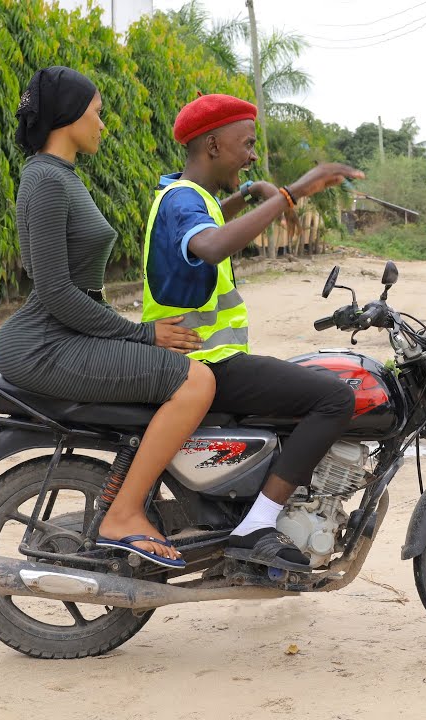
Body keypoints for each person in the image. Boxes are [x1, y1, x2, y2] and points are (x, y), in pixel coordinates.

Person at [0, 66, 217, 569]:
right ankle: (124, 513)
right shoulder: (47, 180)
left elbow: (76, 293)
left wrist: (140, 339)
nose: (102, 124)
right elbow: (53, 291)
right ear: (68, 116)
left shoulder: (58, 176)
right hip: (44, 344)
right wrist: (141, 334)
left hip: (61, 334)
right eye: (97, 113)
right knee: (195, 384)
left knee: (189, 371)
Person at [141, 93, 364, 571]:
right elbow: (212, 244)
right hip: (205, 364)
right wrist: (292, 193)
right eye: (246, 143)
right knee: (335, 399)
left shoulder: (181, 193)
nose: (252, 153)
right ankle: (256, 524)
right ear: (214, 144)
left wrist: (246, 194)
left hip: (200, 361)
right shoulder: (184, 201)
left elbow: (210, 219)